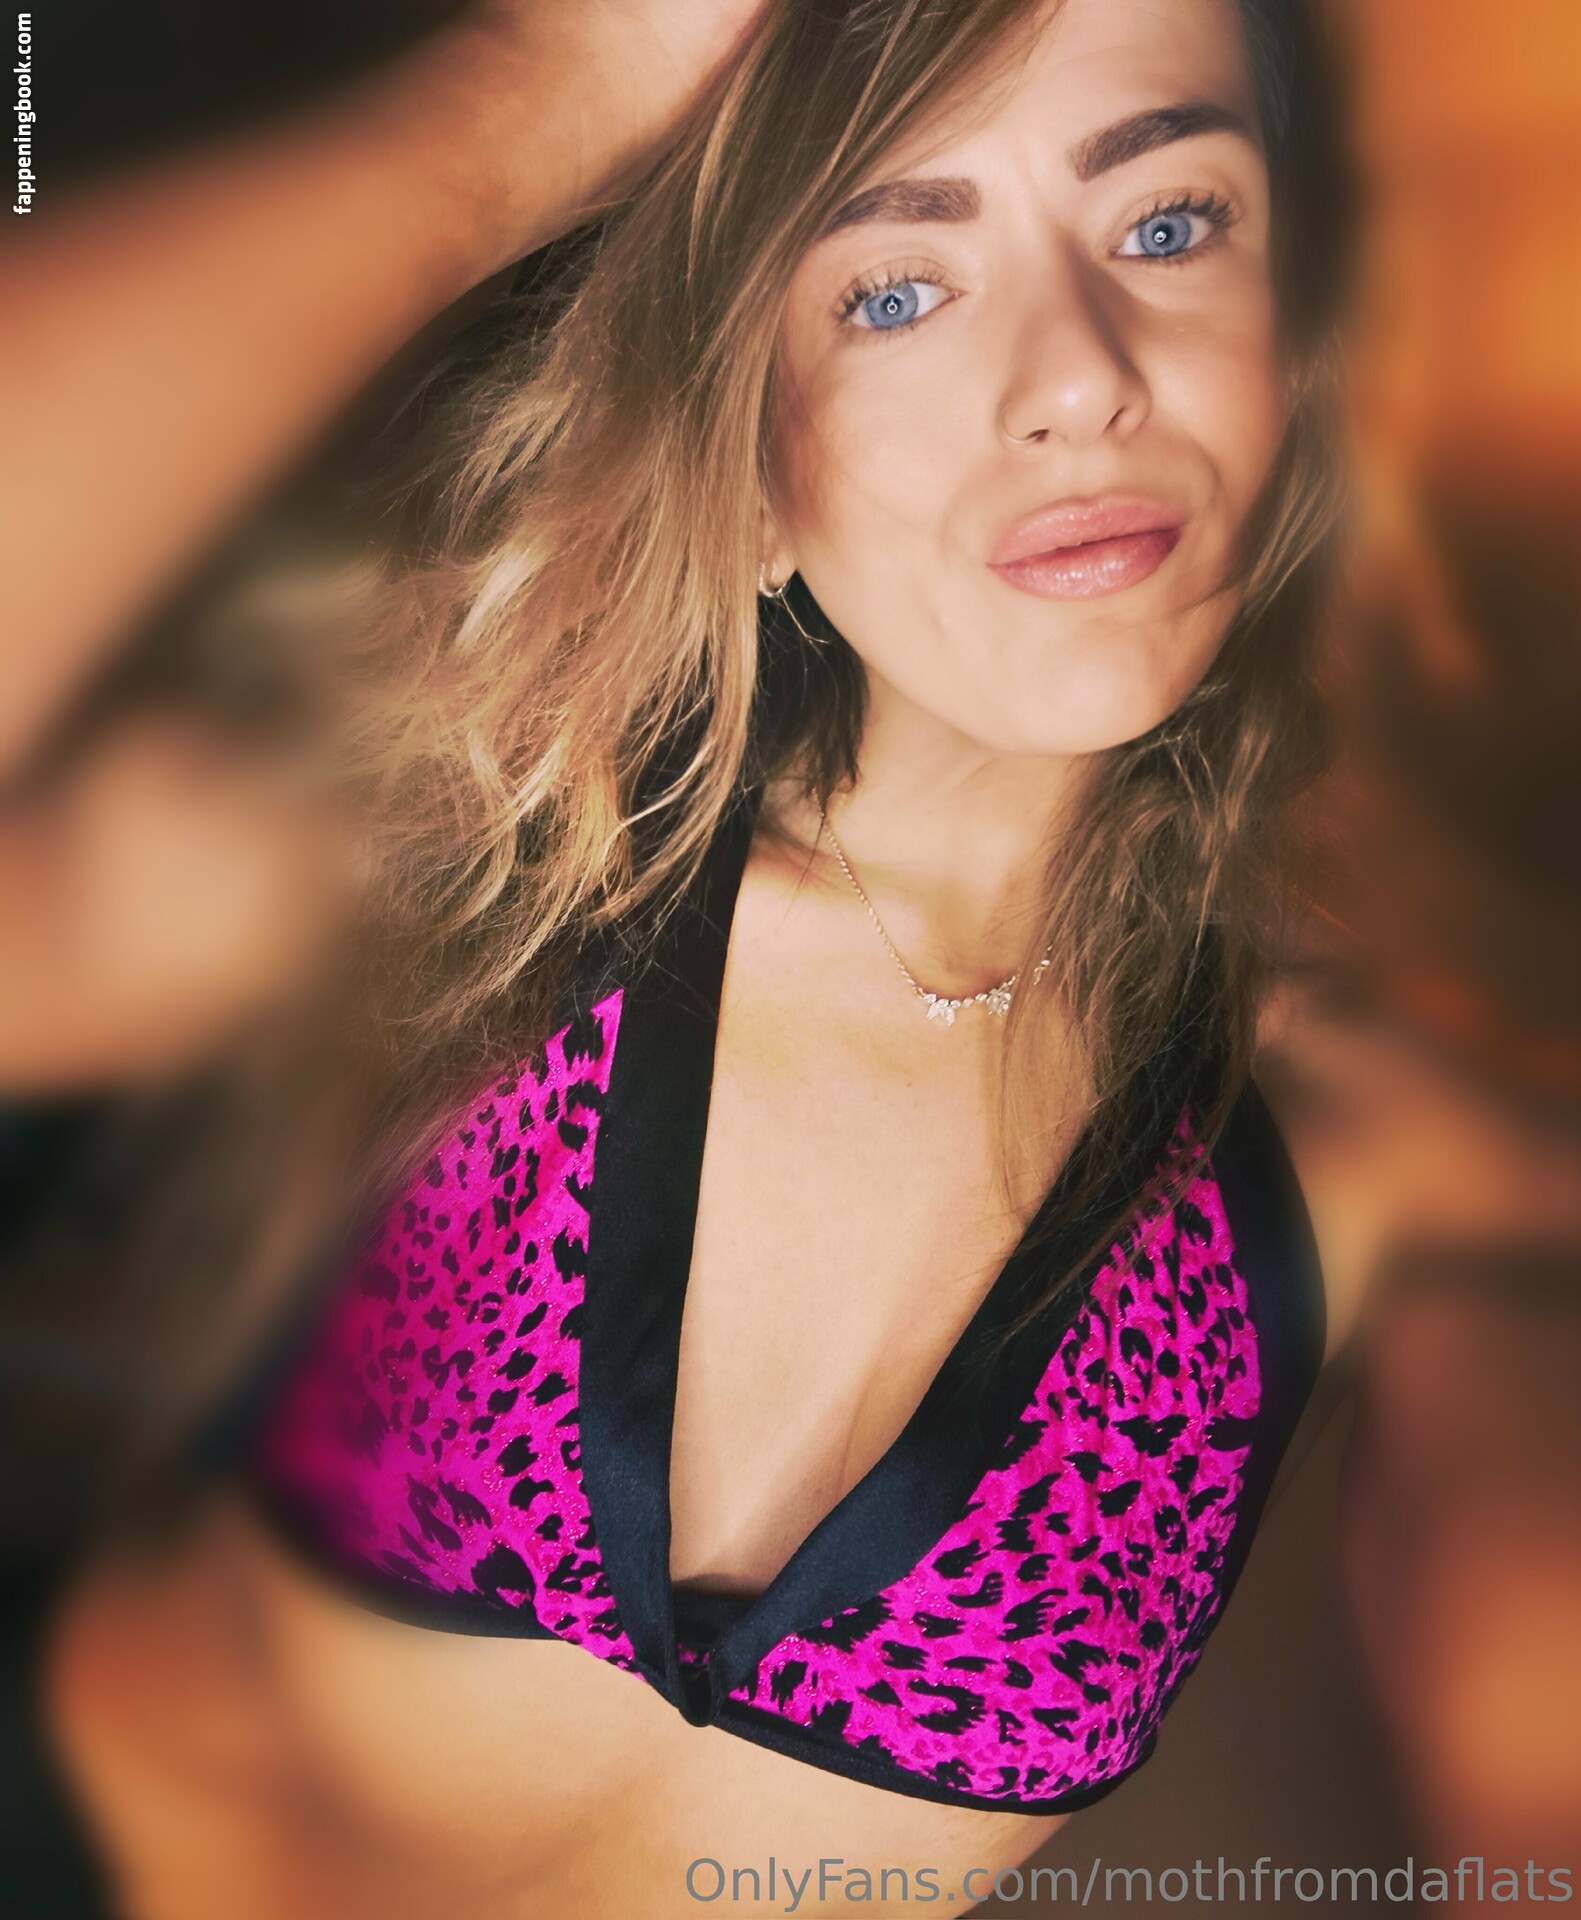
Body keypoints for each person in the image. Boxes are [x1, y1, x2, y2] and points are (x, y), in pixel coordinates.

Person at [12, 1, 1570, 1916]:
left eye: (1168, 224)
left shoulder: (1349, 1134)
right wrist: (527, 105)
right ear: (749, 462)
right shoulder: (480, 868)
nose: (1076, 379)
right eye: (893, 291)